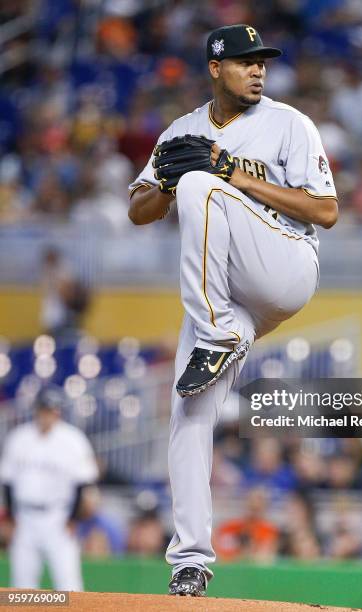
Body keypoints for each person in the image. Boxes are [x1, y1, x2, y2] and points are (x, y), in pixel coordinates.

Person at [128, 23, 338, 596]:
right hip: (224, 289)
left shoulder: (289, 123)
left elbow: (324, 211)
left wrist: (227, 173)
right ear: (215, 68)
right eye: (245, 61)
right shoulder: (181, 130)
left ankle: (217, 332)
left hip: (285, 265)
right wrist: (166, 184)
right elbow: (139, 210)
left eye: (262, 61)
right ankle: (190, 561)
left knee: (203, 185)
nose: (258, 69)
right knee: (188, 410)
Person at [0, 385, 99, 591]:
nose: (48, 413)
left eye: (53, 408)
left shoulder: (73, 440)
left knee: (68, 583)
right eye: (44, 408)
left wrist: (73, 519)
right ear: (37, 409)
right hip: (24, 517)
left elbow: (83, 483)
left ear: (59, 411)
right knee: (22, 585)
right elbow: (7, 482)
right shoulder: (19, 438)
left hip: (58, 517)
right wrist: (10, 517)